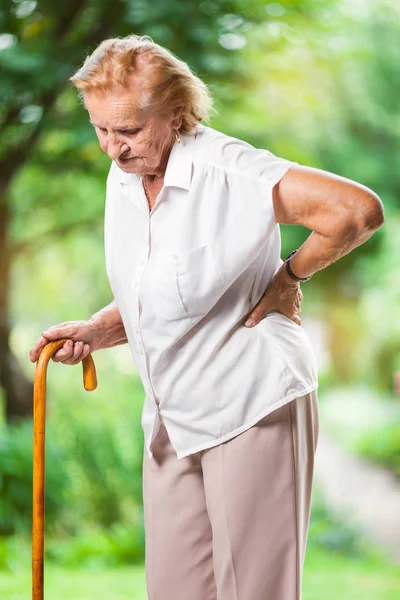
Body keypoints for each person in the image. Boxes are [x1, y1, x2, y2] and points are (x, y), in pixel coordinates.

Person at [29, 35, 384, 600]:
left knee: (253, 591)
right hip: (175, 416)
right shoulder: (124, 179)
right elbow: (167, 289)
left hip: (252, 405)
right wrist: (100, 329)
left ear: (176, 114)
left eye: (128, 131)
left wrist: (290, 275)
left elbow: (356, 211)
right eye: (101, 129)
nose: (114, 149)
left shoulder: (230, 171)